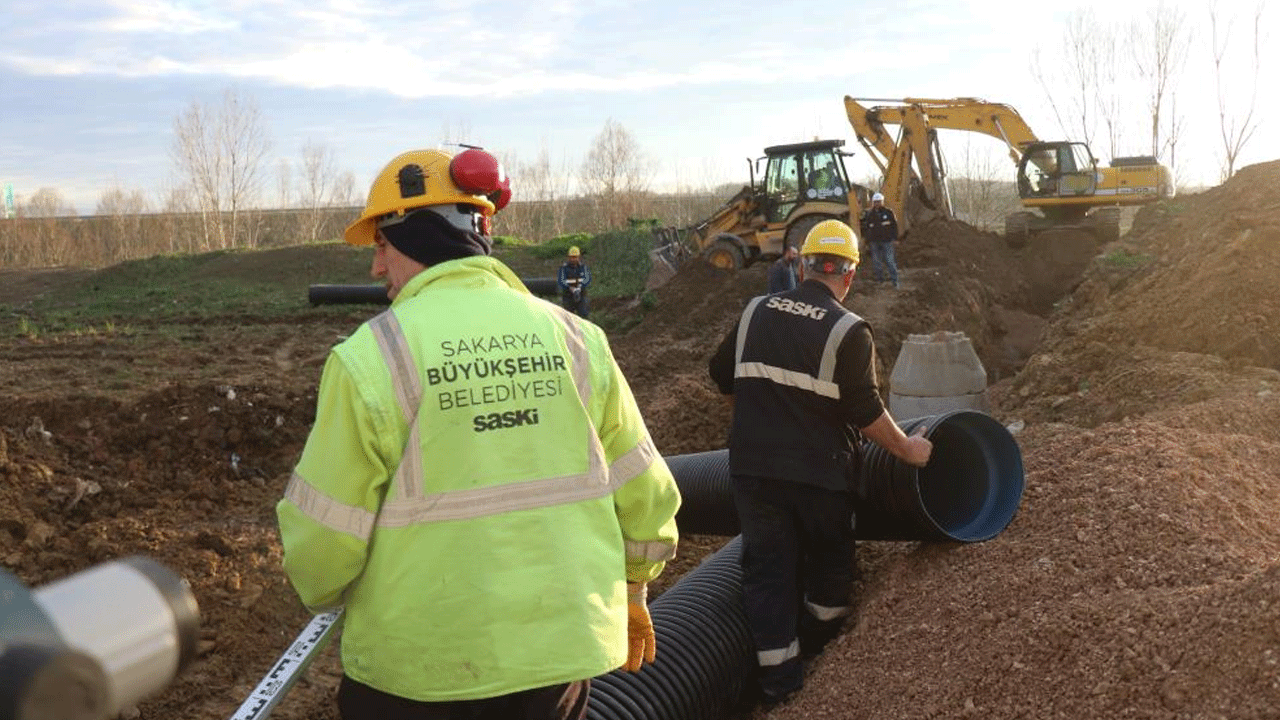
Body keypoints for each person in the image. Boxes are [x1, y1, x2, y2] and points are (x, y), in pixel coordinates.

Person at [276, 147, 681, 720]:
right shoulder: (578, 340)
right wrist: (636, 585)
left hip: (420, 677)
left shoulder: (373, 358)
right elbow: (646, 493)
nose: (375, 268)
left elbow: (323, 542)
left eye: (381, 246)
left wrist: (322, 588)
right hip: (557, 669)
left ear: (415, 238)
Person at [707, 219, 932, 707]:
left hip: (753, 472)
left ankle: (779, 684)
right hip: (819, 477)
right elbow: (866, 412)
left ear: (803, 264)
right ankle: (817, 650)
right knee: (830, 570)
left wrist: (753, 416)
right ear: (850, 274)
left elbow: (722, 375)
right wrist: (909, 450)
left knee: (768, 572)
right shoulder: (849, 330)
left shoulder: (754, 312)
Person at [859, 192, 900, 288]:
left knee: (890, 261)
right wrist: (866, 240)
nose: (877, 204)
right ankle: (879, 280)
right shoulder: (869, 214)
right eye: (875, 202)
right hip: (874, 241)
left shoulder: (889, 213)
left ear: (882, 202)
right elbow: (865, 228)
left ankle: (895, 282)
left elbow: (894, 226)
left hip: (887, 241)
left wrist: (895, 238)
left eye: (879, 202)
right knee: (876, 262)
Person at [558, 245, 592, 318]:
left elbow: (587, 279)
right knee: (568, 317)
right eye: (571, 257)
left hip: (581, 295)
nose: (573, 259)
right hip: (568, 296)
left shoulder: (583, 267)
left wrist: (580, 287)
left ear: (579, 257)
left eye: (575, 257)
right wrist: (570, 288)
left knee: (584, 315)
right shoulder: (564, 268)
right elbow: (561, 281)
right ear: (568, 257)